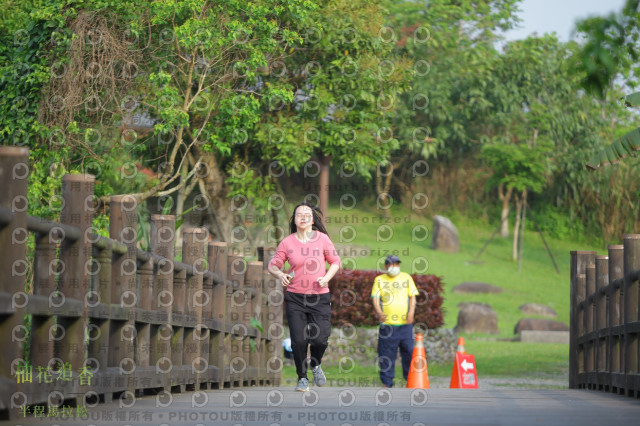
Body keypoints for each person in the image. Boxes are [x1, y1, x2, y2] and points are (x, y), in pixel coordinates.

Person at [268, 201, 341, 392]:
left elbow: (335, 261)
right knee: (299, 340)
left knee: (320, 339)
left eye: (307, 214)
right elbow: (273, 265)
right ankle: (302, 378)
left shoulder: (323, 239)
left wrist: (326, 277)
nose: (302, 217)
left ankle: (315, 364)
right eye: (299, 214)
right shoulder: (287, 242)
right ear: (294, 219)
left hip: (319, 297)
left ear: (312, 219)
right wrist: (281, 274)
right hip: (295, 298)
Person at [371, 254, 418, 388]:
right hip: (388, 325)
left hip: (405, 324)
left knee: (409, 351)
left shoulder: (406, 278)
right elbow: (375, 297)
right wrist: (379, 312)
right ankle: (387, 382)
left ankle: (410, 379)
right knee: (386, 354)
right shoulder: (379, 280)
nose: (394, 267)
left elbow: (412, 296)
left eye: (397, 264)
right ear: (386, 266)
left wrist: (411, 312)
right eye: (392, 264)